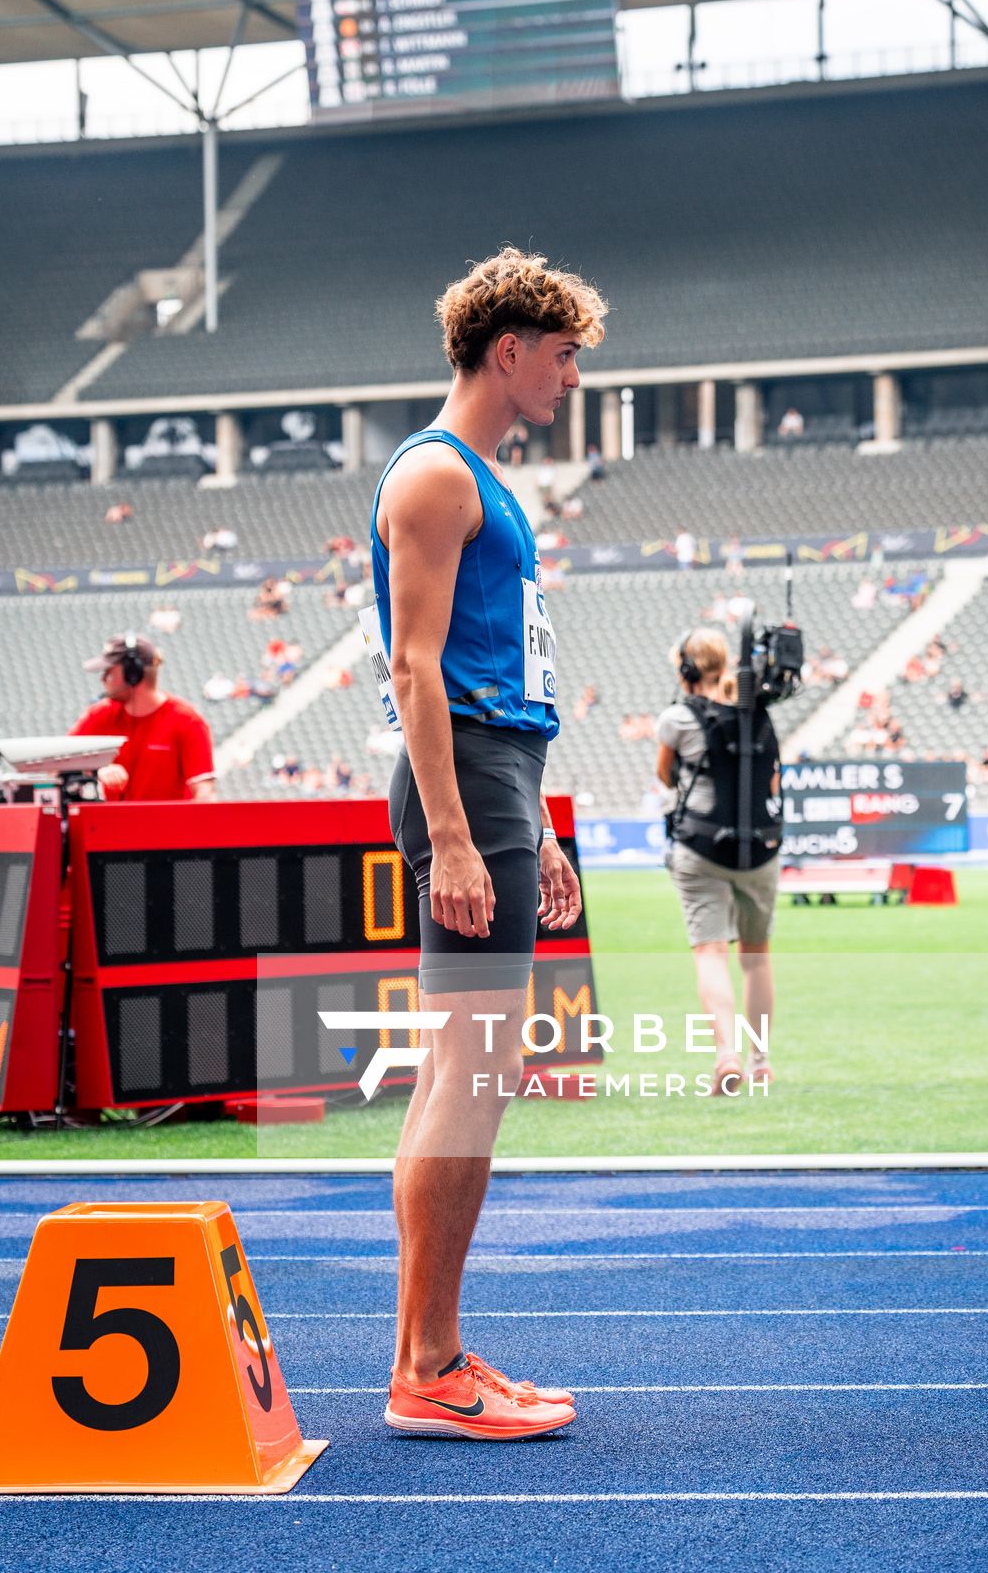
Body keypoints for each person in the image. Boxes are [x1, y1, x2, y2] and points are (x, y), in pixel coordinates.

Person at [370, 244, 605, 1442]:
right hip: (462, 775)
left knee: (467, 1072)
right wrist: (456, 837)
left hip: (498, 771)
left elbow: (492, 668)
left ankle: (436, 1354)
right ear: (506, 350)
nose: (571, 378)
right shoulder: (436, 478)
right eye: (562, 357)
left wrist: (538, 821)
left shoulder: (482, 484)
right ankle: (425, 1372)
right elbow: (413, 671)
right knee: (467, 1074)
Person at [655, 628, 781, 1097]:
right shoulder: (758, 714)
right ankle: (762, 1061)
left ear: (686, 670)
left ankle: (726, 1053)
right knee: (756, 958)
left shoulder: (677, 718)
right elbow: (770, 784)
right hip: (760, 850)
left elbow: (664, 774)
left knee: (711, 953)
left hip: (701, 849)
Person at [70, 633, 215, 801]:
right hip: (110, 826)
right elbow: (57, 764)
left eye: (109, 671)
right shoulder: (99, 714)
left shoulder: (187, 721)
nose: (103, 679)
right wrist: (96, 770)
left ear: (133, 673)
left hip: (168, 826)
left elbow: (204, 793)